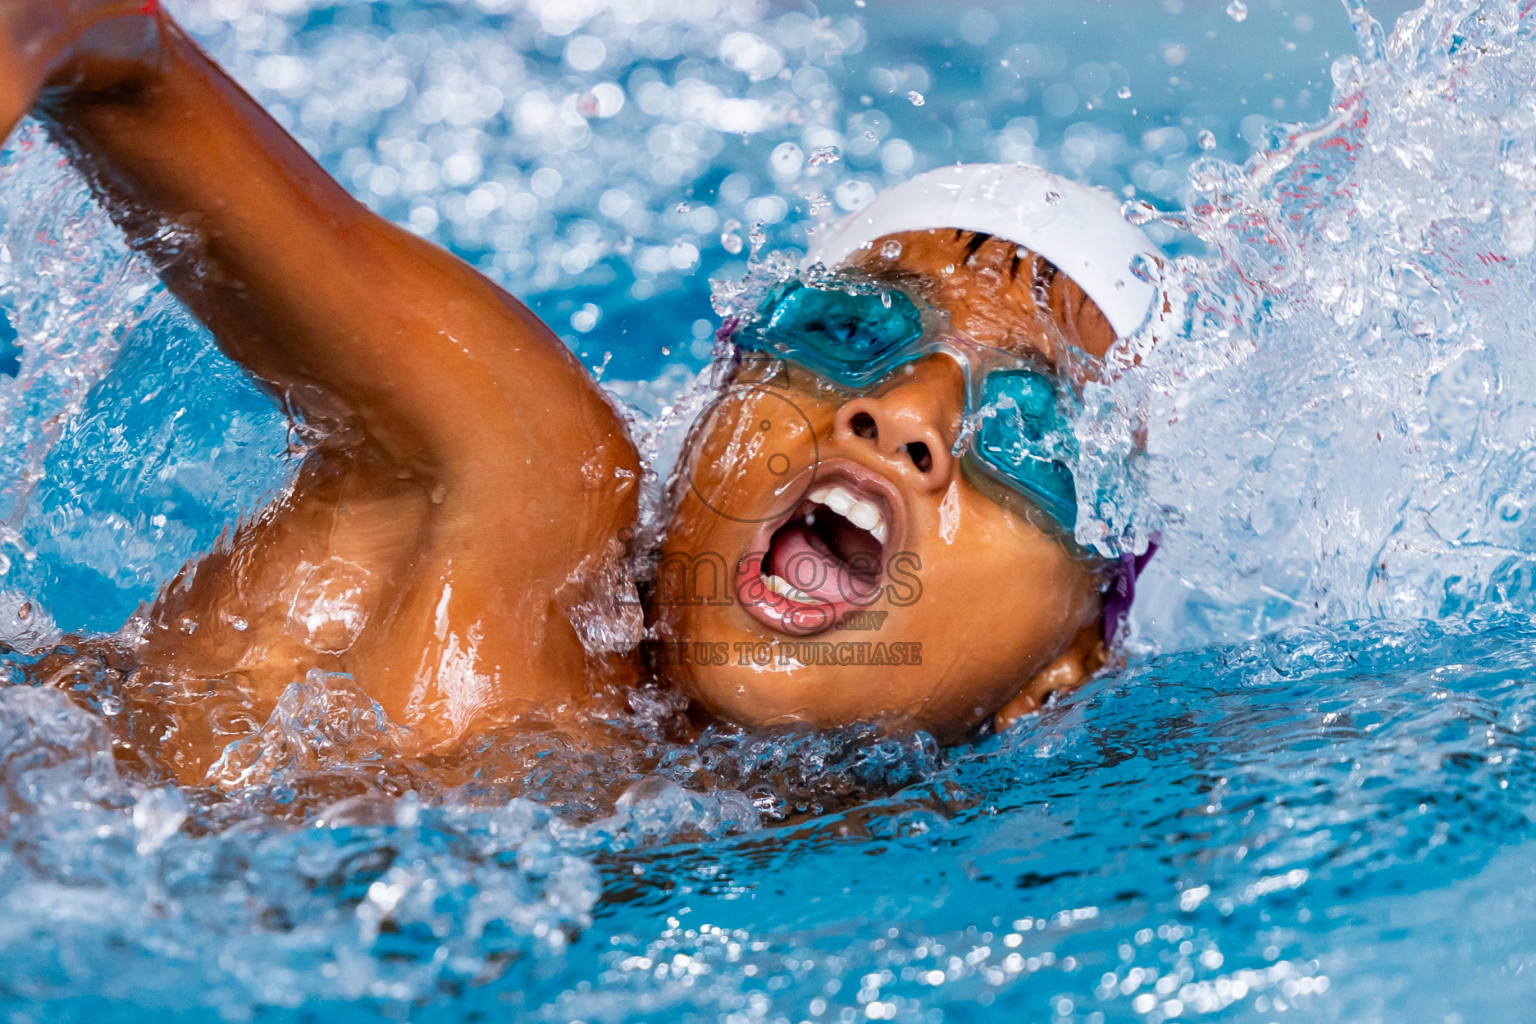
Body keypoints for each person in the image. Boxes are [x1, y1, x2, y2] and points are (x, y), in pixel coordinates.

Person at [0, 0, 1159, 786]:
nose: (904, 411)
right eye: (846, 331)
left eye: (1026, 431)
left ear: (1066, 665)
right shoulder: (519, 483)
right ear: (719, 400)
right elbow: (99, 39)